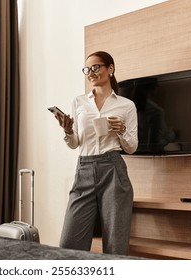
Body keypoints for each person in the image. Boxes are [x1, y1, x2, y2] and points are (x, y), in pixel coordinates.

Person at [55, 51, 138, 255]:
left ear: (110, 69)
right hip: (84, 168)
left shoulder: (126, 105)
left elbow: (132, 147)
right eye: (87, 69)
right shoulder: (79, 102)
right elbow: (75, 143)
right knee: (69, 244)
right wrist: (67, 130)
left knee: (115, 245)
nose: (90, 72)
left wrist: (122, 131)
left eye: (95, 67)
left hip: (113, 170)